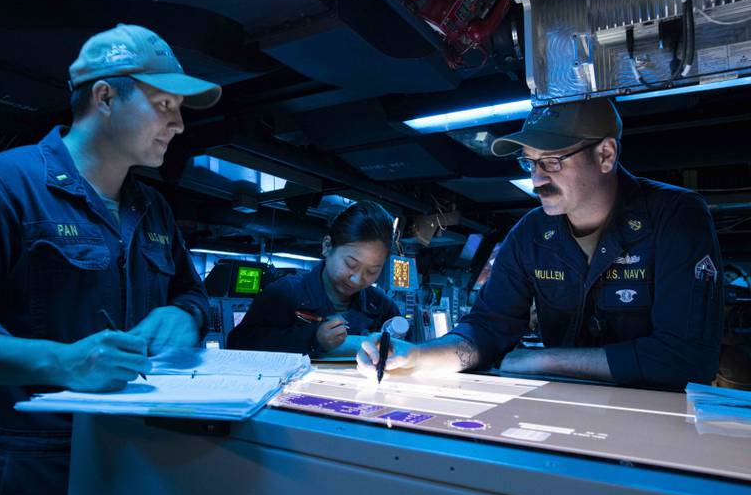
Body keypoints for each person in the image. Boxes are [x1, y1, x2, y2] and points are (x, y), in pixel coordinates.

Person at [0, 24, 220, 495]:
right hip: (33, 464)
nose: (179, 125)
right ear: (105, 97)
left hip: (140, 451)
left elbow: (193, 294)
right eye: (165, 105)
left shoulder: (153, 207)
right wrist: (62, 362)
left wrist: (186, 316)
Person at [358, 98, 723, 390]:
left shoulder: (675, 217)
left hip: (657, 421)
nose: (536, 179)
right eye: (529, 162)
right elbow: (487, 329)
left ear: (606, 155)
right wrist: (416, 355)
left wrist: (546, 360)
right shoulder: (529, 235)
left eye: (551, 160)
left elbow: (686, 358)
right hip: (559, 411)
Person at [228, 201, 402, 356]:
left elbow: (402, 355)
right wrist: (312, 338)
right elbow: (238, 344)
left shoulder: (384, 309)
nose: (357, 279)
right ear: (327, 246)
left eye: (372, 271)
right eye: (351, 264)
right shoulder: (284, 294)